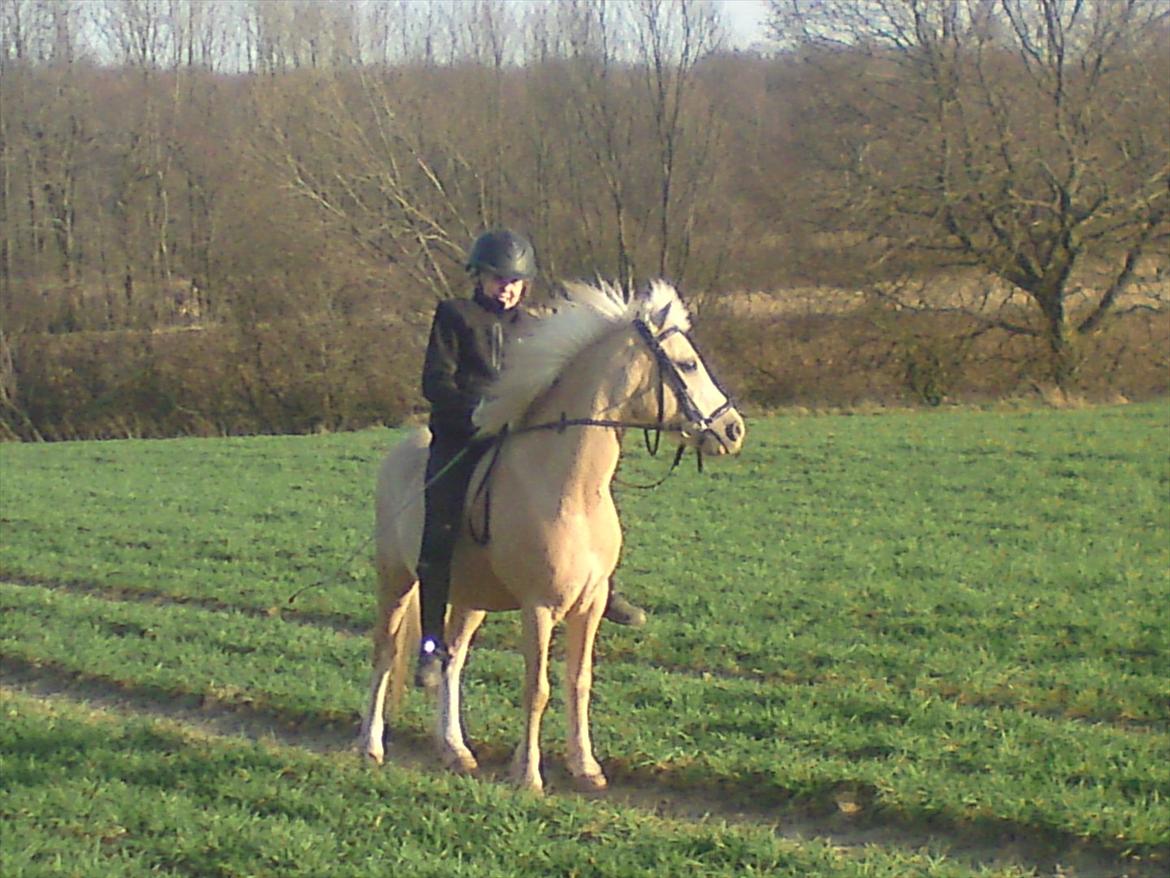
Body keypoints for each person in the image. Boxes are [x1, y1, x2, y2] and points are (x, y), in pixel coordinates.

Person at [414, 229, 647, 689]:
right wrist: (472, 412)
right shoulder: (454, 317)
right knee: (440, 521)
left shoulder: (535, 326)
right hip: (464, 436)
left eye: (515, 281)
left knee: (587, 490)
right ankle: (431, 643)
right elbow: (436, 382)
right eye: (499, 279)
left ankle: (606, 587)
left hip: (519, 437)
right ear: (478, 277)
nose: (507, 287)